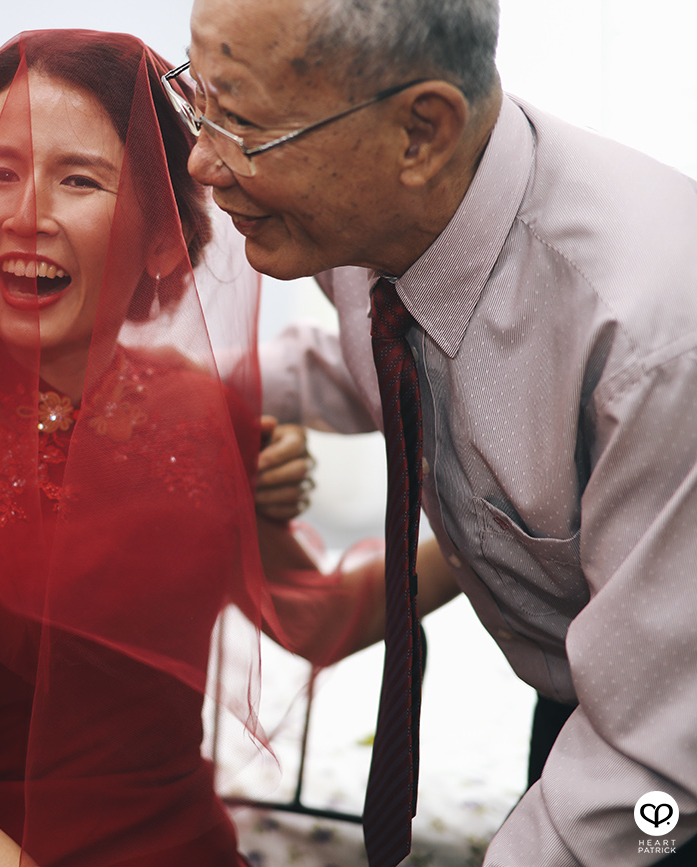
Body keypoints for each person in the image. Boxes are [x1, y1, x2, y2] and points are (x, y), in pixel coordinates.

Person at [0, 29, 385, 867]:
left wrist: (496, 549)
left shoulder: (204, 413)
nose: (26, 215)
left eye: (78, 179)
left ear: (162, 236)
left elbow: (317, 618)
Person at [179, 0, 697, 864]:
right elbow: (377, 360)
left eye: (244, 127)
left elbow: (654, 760)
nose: (202, 161)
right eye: (195, 101)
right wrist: (157, 393)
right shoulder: (371, 220)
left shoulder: (649, 340)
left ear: (422, 130)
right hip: (590, 699)